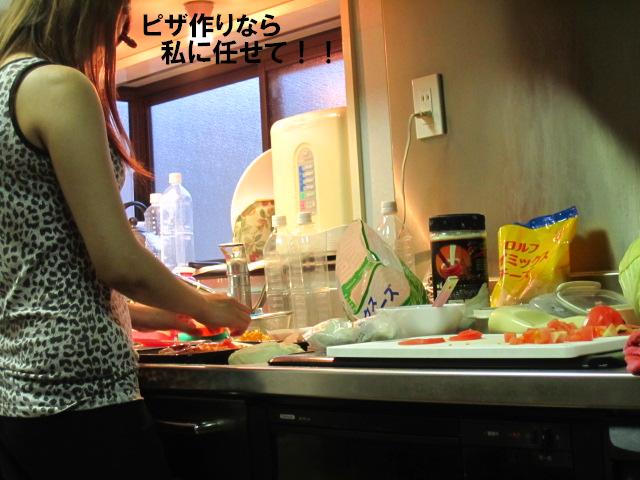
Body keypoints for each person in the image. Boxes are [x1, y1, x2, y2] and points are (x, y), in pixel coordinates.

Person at [0, 1, 251, 478]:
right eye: (117, 30)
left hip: (19, 401)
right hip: (83, 397)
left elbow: (48, 277)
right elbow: (119, 263)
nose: (109, 47)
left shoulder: (6, 90)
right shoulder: (57, 87)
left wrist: (170, 312)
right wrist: (207, 305)